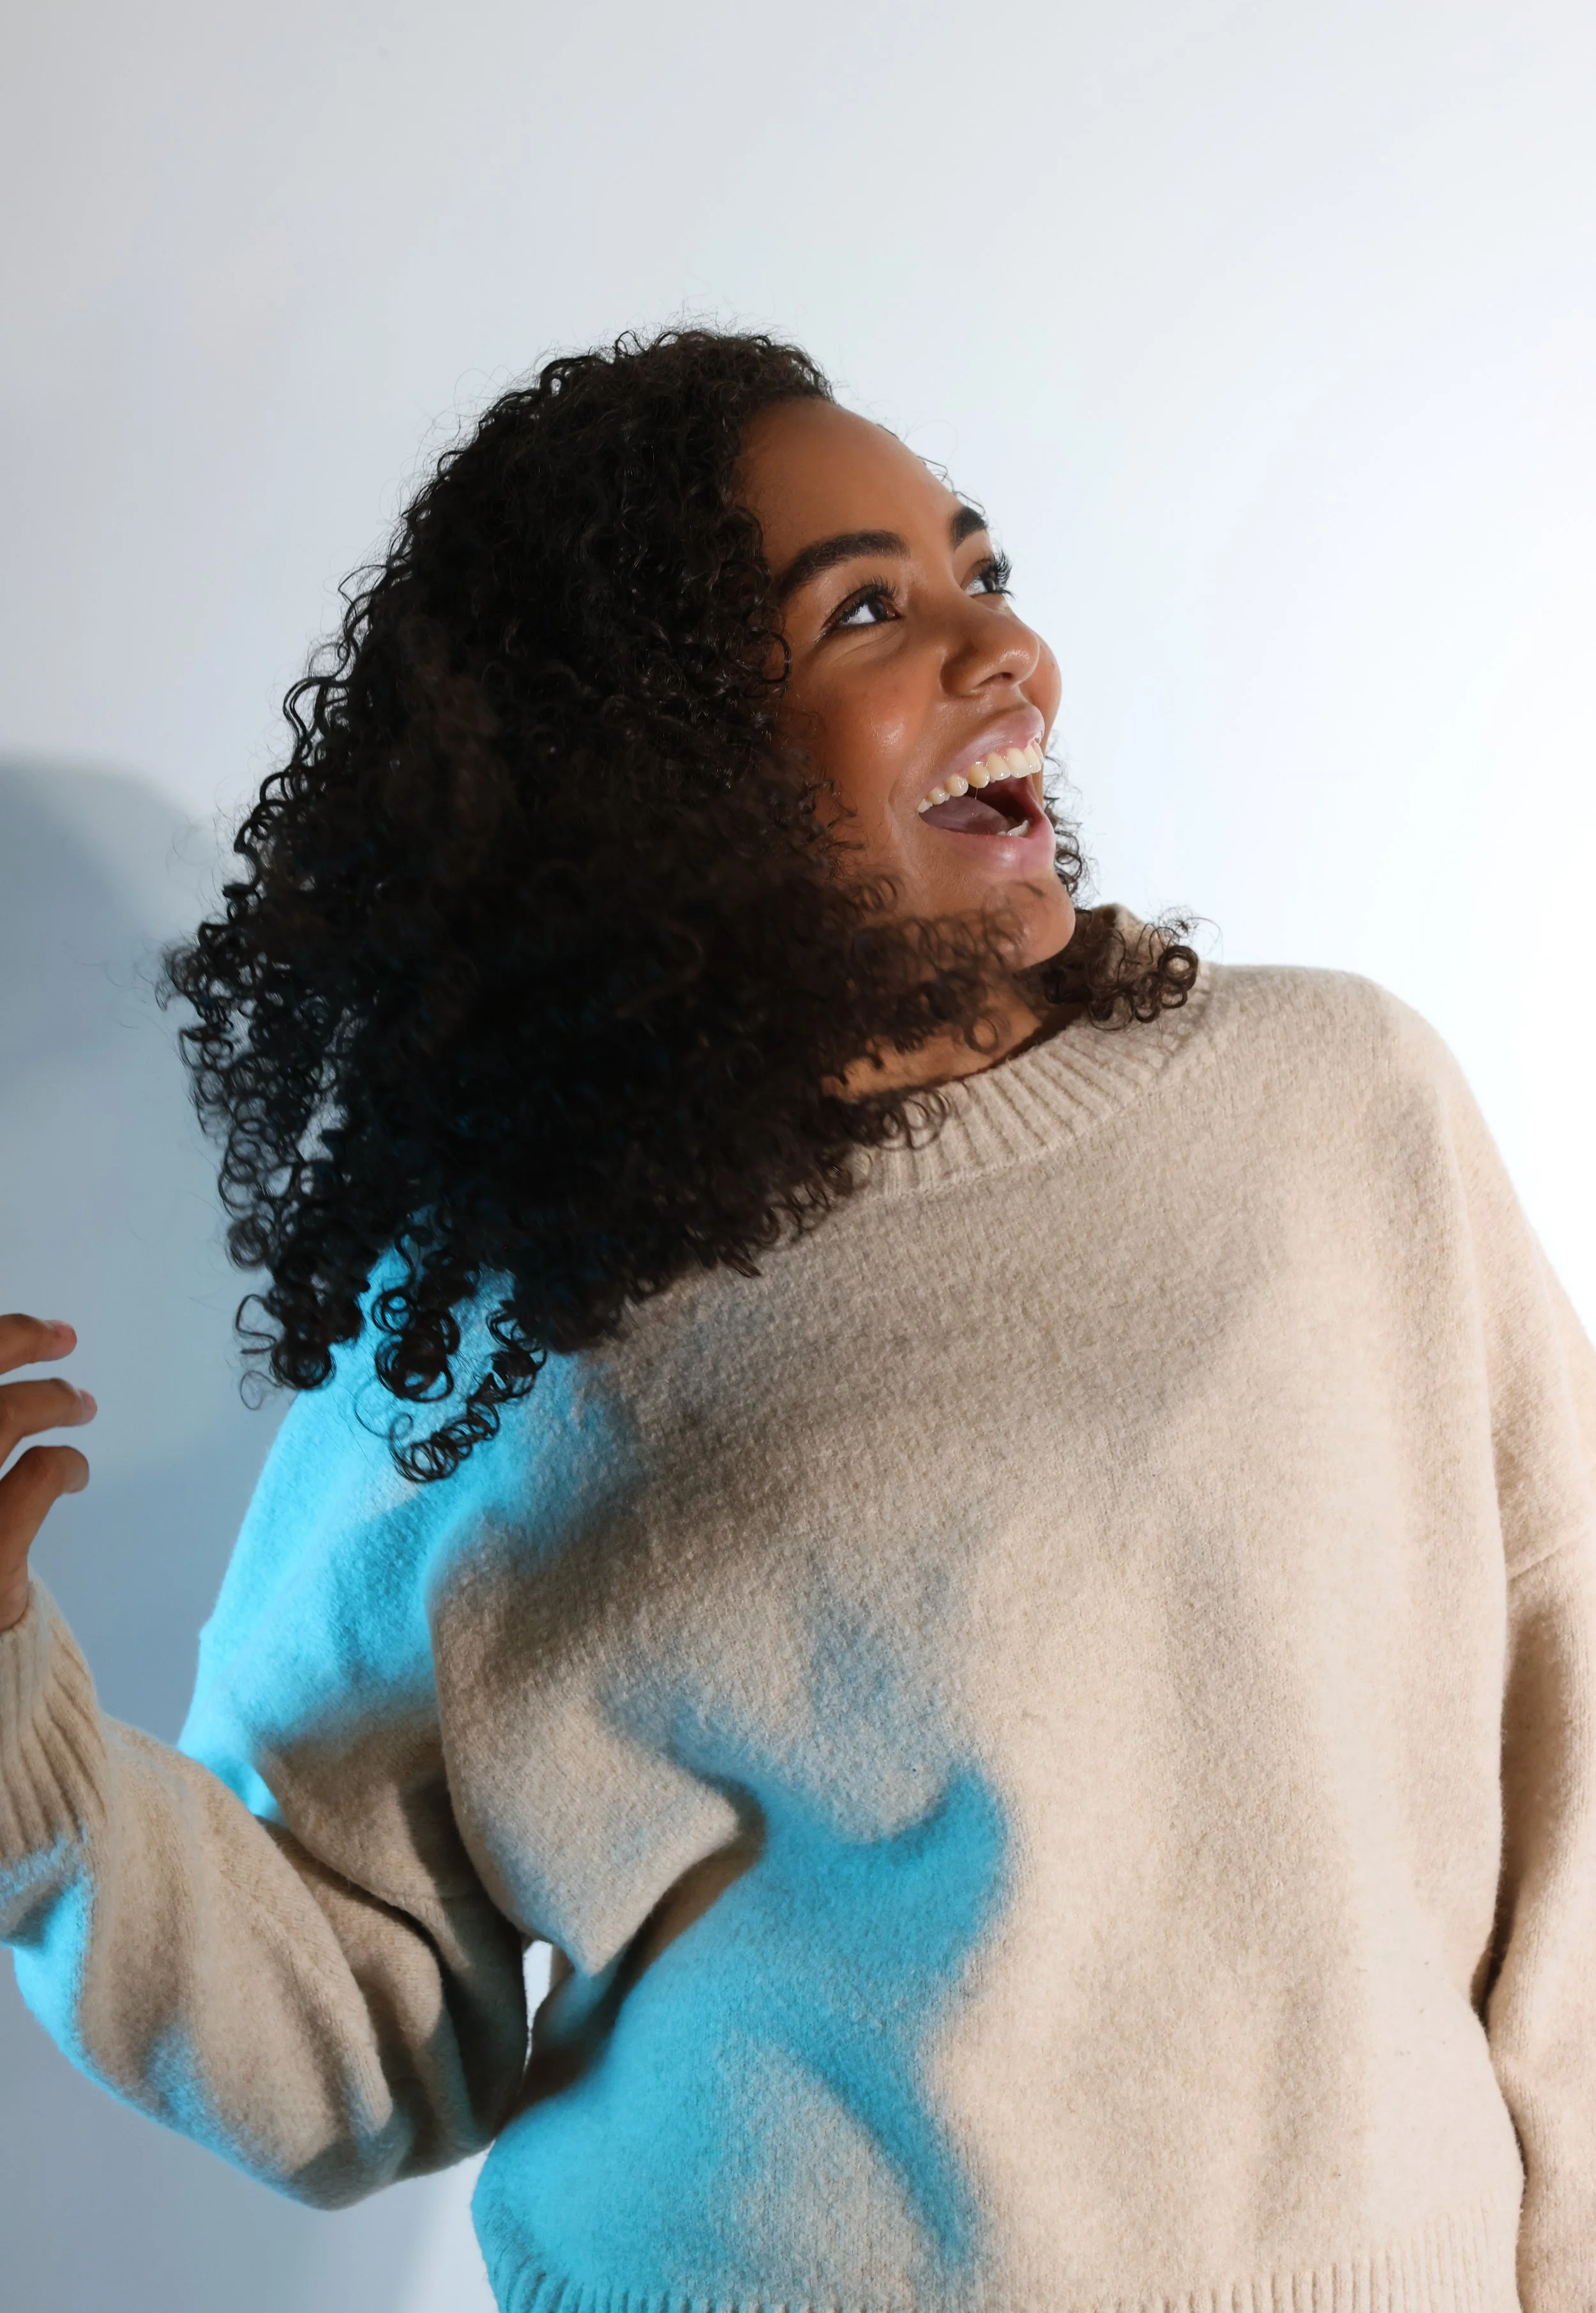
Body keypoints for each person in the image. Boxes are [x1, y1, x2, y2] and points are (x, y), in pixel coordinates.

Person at [1, 328, 1592, 2313]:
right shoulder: (517, 1318)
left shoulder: (1331, 1111)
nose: (1001, 653)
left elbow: (1572, 1759)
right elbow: (350, 2035)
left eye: (980, 573)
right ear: (667, 761)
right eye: (868, 610)